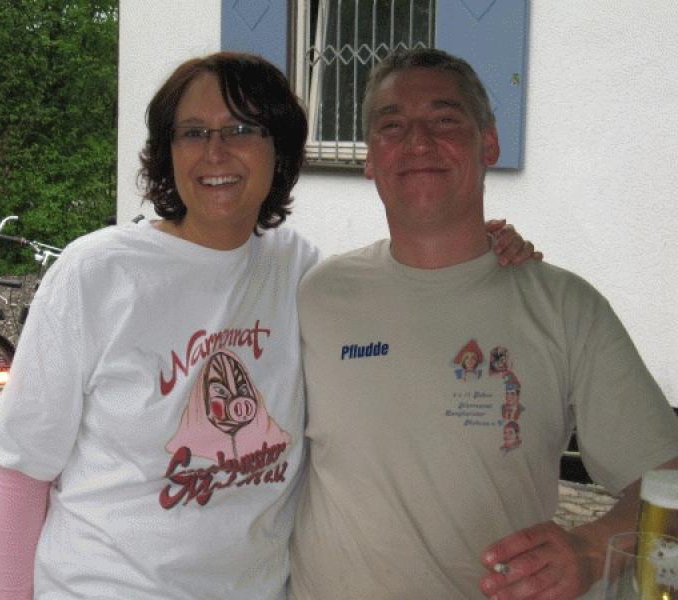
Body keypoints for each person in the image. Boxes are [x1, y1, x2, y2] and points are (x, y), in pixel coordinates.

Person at [0, 52, 537, 599]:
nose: (215, 152)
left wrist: (479, 251)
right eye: (193, 133)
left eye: (241, 129)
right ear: (168, 151)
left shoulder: (301, 273)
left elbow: (406, 292)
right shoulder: (98, 273)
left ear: (280, 150)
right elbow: (23, 472)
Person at [288, 47, 678, 600]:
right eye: (392, 125)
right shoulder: (316, 294)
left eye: (445, 120)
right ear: (370, 157)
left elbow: (669, 479)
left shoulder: (565, 307)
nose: (418, 141)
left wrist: (592, 549)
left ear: (488, 143)